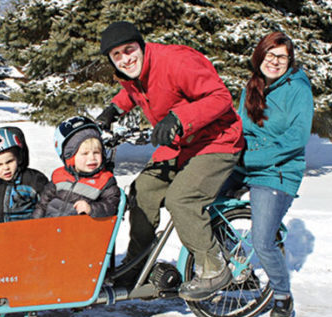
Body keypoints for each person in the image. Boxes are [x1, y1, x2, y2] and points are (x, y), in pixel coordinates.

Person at [96, 21, 243, 297]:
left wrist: (179, 118)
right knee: (142, 191)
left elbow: (221, 97)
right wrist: (113, 110)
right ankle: (137, 266)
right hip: (180, 145)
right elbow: (134, 89)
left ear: (141, 45)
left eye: (129, 50)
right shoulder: (133, 73)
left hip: (217, 141)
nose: (125, 59)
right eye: (117, 55)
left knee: (182, 199)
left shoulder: (176, 61)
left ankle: (213, 268)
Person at [225, 31, 313, 317]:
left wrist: (254, 158)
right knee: (201, 204)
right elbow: (240, 126)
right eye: (270, 55)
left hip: (278, 170)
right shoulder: (251, 86)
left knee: (262, 241)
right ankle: (239, 266)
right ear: (259, 55)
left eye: (282, 57)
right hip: (246, 162)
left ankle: (282, 294)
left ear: (290, 61)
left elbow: (296, 138)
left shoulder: (298, 88)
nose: (275, 62)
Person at [33, 116, 120, 219]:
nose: (92, 158)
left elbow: (111, 206)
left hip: (80, 231)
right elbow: (43, 204)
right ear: (71, 157)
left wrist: (91, 209)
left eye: (96, 152)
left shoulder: (104, 181)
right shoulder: (59, 177)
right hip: (50, 228)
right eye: (85, 154)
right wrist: (34, 224)